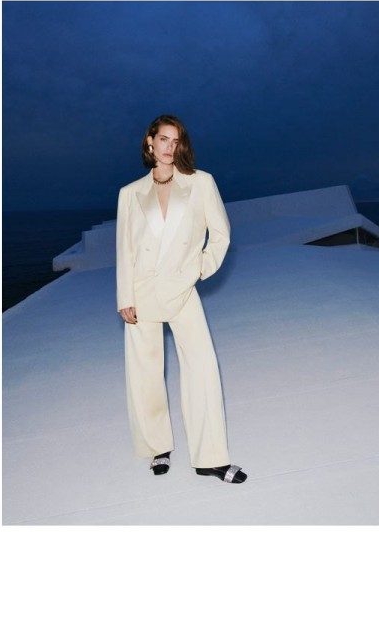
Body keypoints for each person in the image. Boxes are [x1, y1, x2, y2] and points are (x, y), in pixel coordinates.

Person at [116, 114, 247, 484]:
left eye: (176, 141)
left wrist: (199, 269)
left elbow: (220, 233)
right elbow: (125, 249)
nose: (169, 147)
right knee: (145, 375)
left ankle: (211, 458)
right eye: (163, 139)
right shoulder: (130, 193)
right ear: (150, 141)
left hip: (182, 289)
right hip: (142, 292)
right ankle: (158, 447)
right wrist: (125, 295)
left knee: (202, 369)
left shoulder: (201, 182)